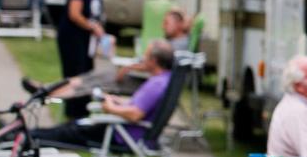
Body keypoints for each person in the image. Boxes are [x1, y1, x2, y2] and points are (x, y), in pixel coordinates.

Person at [32, 42, 177, 149]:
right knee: (70, 127)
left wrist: (110, 108)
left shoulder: (156, 85)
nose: (142, 59)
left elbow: (135, 115)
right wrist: (119, 101)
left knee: (67, 132)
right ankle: (26, 135)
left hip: (123, 134)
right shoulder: (165, 80)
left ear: (153, 61)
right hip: (127, 131)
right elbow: (139, 107)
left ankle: (26, 137)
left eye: (145, 56)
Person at [26, 7, 191, 100]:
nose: (163, 26)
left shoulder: (177, 46)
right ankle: (47, 89)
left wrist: (128, 68)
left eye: (166, 23)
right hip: (137, 76)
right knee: (90, 77)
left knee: (92, 83)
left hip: (140, 80)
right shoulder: (177, 42)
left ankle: (48, 94)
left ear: (179, 25)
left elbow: (156, 66)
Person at [58, 0, 106, 81]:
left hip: (88, 37)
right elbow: (74, 14)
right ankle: (70, 100)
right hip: (73, 35)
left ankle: (84, 100)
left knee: (88, 71)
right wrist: (92, 27)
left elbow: (96, 11)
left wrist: (99, 27)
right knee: (75, 72)